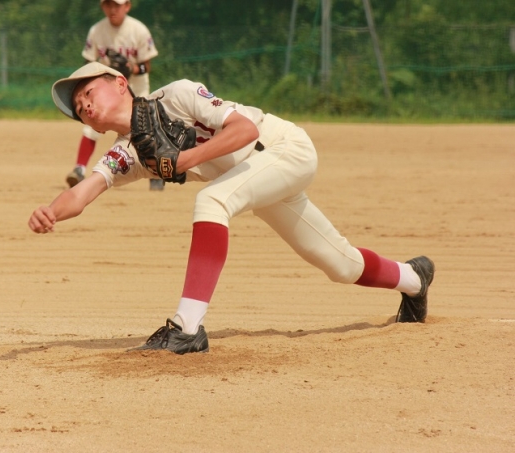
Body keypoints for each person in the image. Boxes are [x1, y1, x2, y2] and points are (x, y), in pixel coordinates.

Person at [29, 62, 435, 355]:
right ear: (94, 128)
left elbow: (246, 129)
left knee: (212, 199)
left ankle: (187, 328)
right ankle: (414, 278)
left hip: (283, 148)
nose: (83, 105)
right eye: (78, 107)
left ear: (120, 83)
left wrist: (184, 160)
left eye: (88, 92)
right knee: (341, 265)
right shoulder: (126, 154)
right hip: (258, 180)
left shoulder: (175, 95)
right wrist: (50, 211)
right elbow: (83, 192)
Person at [66, 0, 164, 191]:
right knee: (92, 125)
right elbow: (87, 63)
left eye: (117, 5)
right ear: (102, 6)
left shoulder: (138, 30)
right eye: (108, 5)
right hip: (106, 90)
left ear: (127, 6)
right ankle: (79, 169)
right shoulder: (96, 31)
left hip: (136, 87)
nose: (112, 9)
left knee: (146, 128)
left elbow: (146, 66)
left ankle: (158, 172)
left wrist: (131, 68)